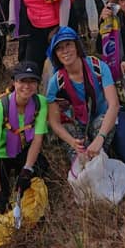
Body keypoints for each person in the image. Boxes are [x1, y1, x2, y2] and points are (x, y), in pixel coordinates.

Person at [0, 60, 50, 215]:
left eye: (32, 81)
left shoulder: (41, 103)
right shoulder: (0, 107)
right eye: (22, 81)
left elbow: (37, 140)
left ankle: (20, 179)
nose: (27, 86)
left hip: (22, 150)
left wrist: (27, 169)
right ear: (14, 82)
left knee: (39, 167)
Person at [46, 26, 120, 163]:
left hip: (100, 119)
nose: (65, 51)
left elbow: (114, 105)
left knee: (100, 129)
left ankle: (102, 152)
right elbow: (54, 122)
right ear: (55, 54)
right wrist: (72, 142)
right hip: (76, 125)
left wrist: (100, 138)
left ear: (77, 46)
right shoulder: (55, 82)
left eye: (68, 44)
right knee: (81, 161)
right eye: (59, 48)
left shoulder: (98, 66)